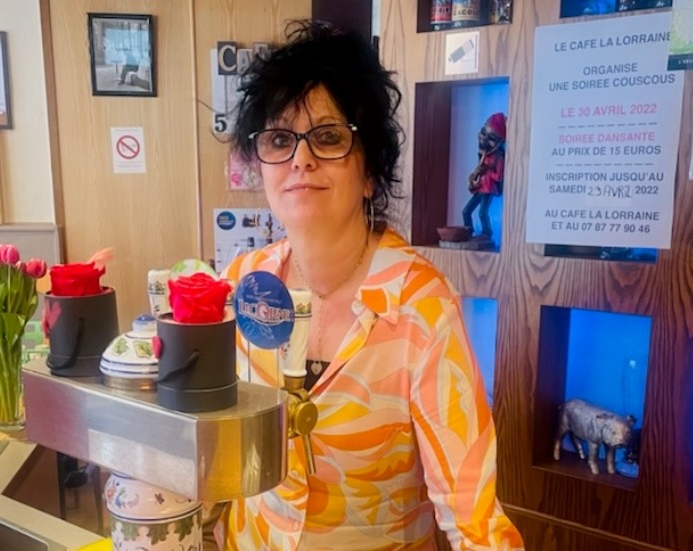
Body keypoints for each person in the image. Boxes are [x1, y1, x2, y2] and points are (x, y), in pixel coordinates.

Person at [218, 20, 524, 550]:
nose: (300, 159)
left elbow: (473, 520)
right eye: (279, 139)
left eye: (329, 137)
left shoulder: (422, 307)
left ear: (370, 173)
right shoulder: (242, 283)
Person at [462, 113, 506, 243]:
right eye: (484, 132)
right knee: (466, 211)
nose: (484, 139)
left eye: (491, 137)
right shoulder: (483, 155)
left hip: (488, 189)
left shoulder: (498, 157)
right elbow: (478, 174)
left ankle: (487, 233)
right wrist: (474, 177)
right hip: (480, 188)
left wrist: (487, 171)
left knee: (482, 213)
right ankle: (468, 232)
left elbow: (498, 177)